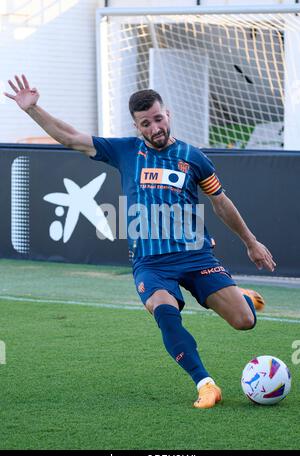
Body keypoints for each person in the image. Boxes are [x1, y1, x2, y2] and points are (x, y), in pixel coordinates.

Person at [4, 75, 276, 409]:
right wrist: (34, 110)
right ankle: (206, 384)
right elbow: (71, 137)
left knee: (244, 322)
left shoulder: (193, 156)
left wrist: (251, 242)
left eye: (158, 119)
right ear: (137, 126)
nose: (154, 128)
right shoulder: (125, 151)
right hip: (151, 264)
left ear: (168, 115)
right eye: (145, 123)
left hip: (196, 256)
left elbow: (220, 201)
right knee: (165, 312)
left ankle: (242, 299)